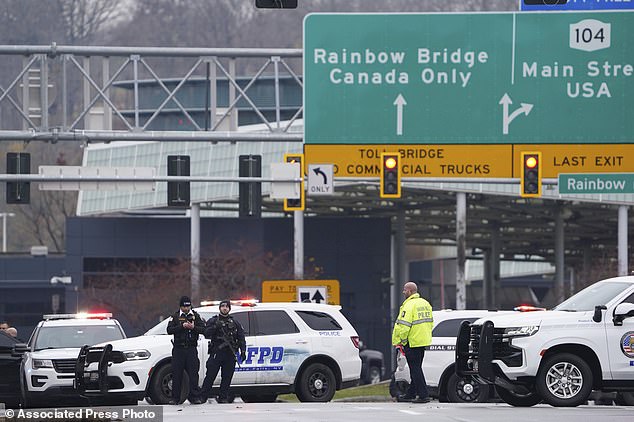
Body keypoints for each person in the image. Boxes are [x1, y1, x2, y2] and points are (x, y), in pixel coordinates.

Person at [392, 281, 433, 403]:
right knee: (416, 368)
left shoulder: (409, 305)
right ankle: (410, 394)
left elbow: (404, 326)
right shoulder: (425, 303)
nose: (403, 292)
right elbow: (430, 323)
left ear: (410, 291)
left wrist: (403, 341)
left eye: (405, 290)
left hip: (412, 342)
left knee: (415, 370)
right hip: (422, 341)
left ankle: (423, 395)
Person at [199, 300, 246, 403]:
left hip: (230, 353)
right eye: (223, 306)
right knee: (210, 375)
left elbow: (241, 337)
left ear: (229, 309)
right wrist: (215, 327)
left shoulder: (235, 322)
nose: (225, 308)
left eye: (227, 306)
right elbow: (206, 333)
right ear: (219, 308)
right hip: (217, 352)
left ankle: (223, 397)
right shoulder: (213, 320)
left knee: (227, 376)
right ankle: (203, 397)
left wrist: (243, 351)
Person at [166, 295, 205, 405]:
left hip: (191, 349)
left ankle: (194, 397)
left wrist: (193, 328)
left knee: (193, 374)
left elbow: (203, 329)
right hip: (179, 349)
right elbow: (169, 330)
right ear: (180, 306)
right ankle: (175, 398)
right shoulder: (175, 316)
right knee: (177, 374)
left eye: (188, 307)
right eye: (184, 307)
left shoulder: (195, 316)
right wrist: (182, 326)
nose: (186, 309)